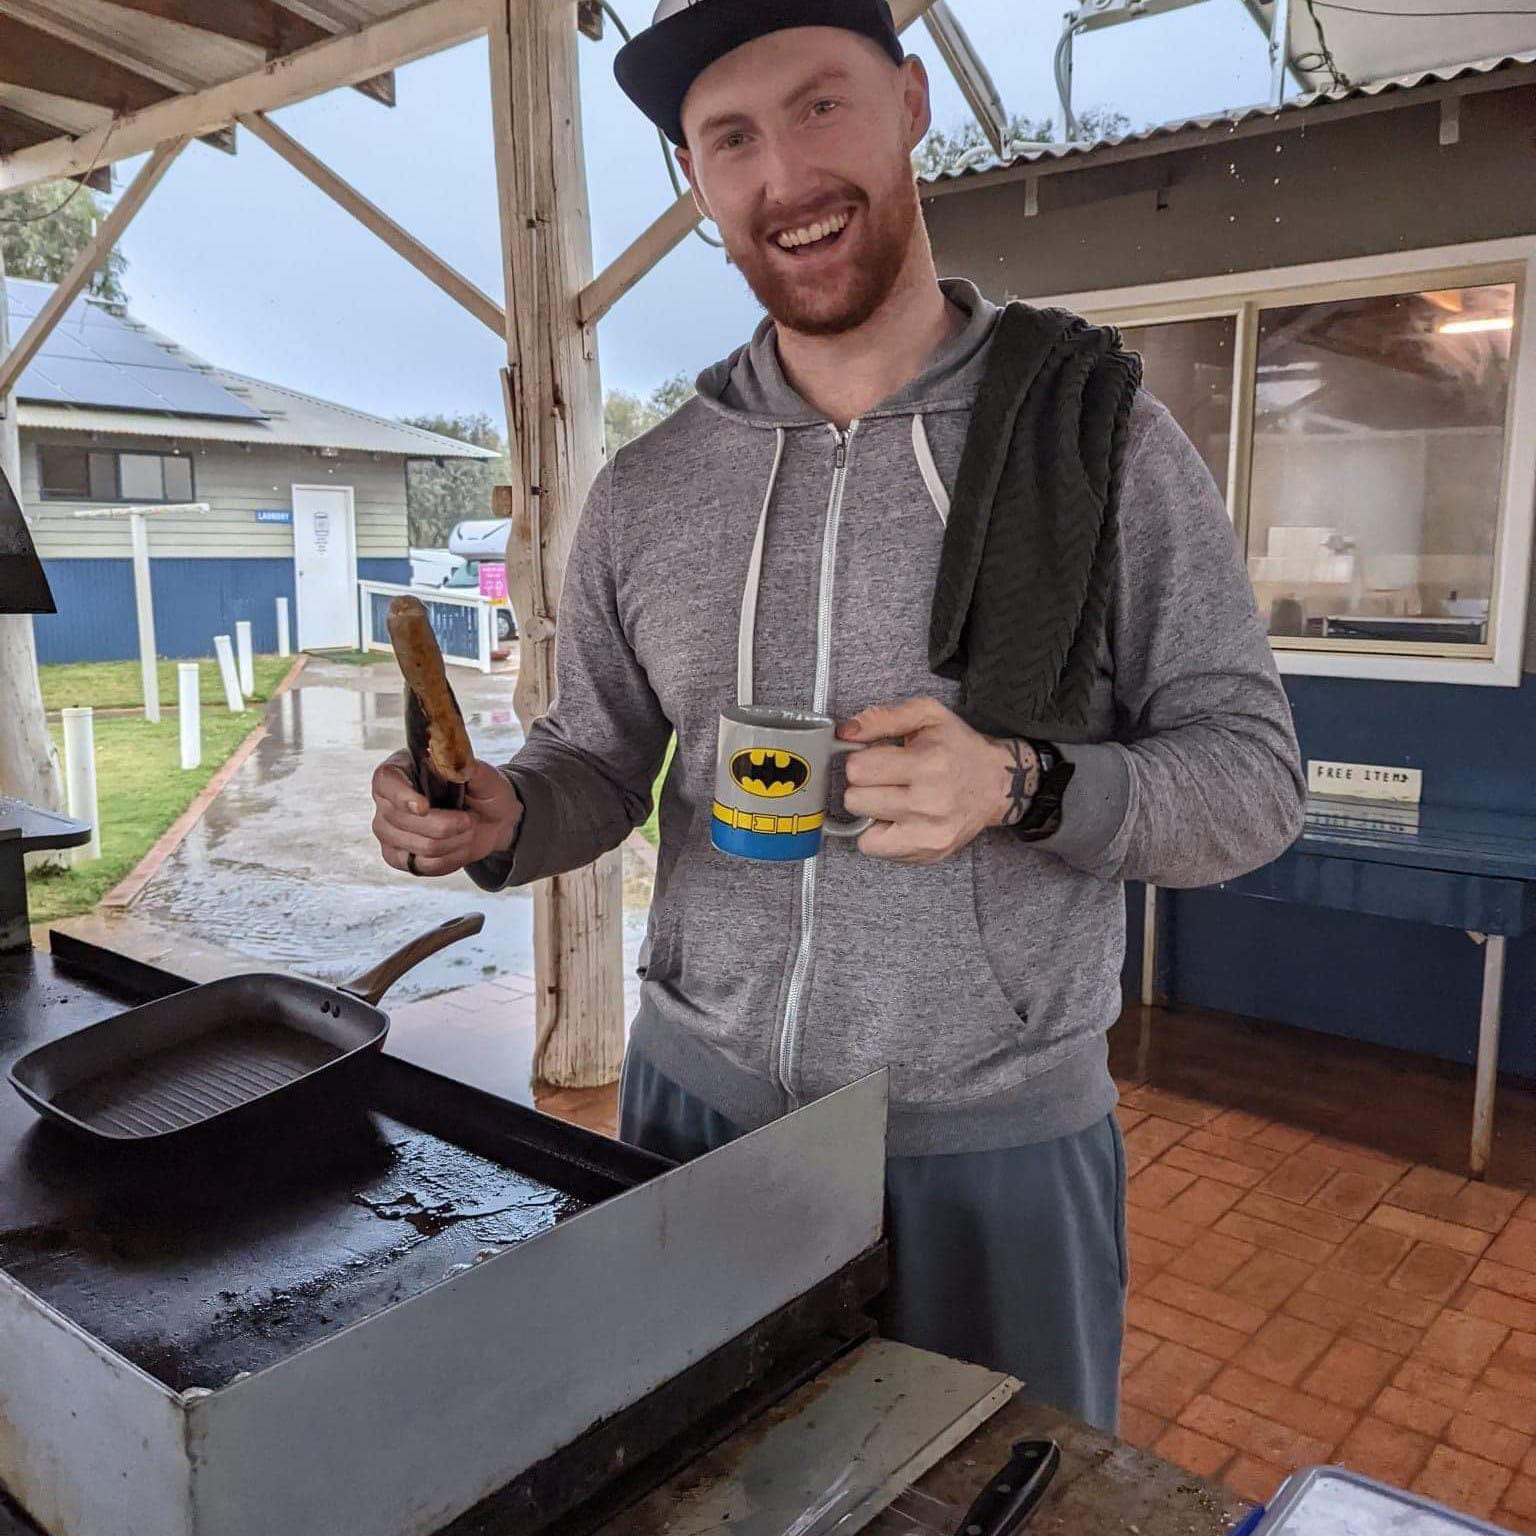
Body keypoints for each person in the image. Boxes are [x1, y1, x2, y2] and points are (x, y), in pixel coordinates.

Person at [371, 0, 1305, 1431]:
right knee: (696, 1482)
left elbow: (1253, 783)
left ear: (913, 104)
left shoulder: (1095, 434)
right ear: (696, 180)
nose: (785, 176)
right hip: (696, 1118)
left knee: (993, 1496)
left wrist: (1024, 785)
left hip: (990, 1140)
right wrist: (504, 814)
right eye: (730, 138)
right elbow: (597, 759)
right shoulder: (650, 490)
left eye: (823, 105)